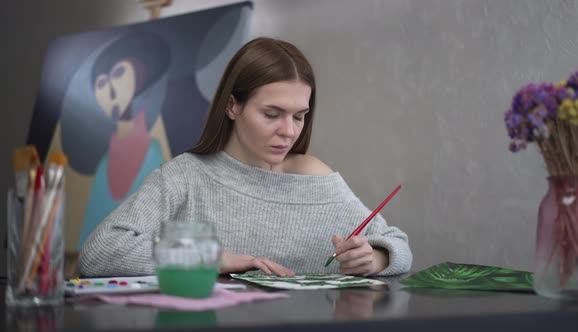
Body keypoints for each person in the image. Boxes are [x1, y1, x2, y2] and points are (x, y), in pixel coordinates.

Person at [79, 37, 412, 278]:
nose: (289, 131)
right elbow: (99, 252)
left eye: (300, 116)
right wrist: (212, 258)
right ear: (232, 105)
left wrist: (377, 259)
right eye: (272, 113)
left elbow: (397, 244)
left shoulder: (317, 179)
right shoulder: (185, 177)